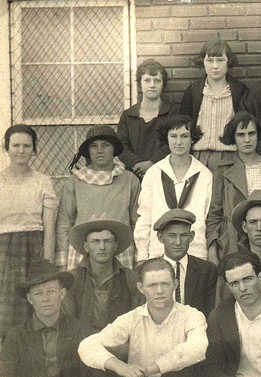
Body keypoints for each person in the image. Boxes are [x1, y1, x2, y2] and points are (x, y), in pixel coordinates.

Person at [78, 258, 208, 377]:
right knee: (102, 365)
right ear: (141, 288)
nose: (160, 291)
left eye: (165, 284)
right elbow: (87, 345)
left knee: (186, 368)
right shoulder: (132, 318)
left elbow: (197, 347)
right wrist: (123, 369)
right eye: (152, 285)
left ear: (176, 285)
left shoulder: (191, 315)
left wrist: (144, 372)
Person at [0, 125, 58, 338]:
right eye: (16, 145)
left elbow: (49, 227)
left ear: (34, 150)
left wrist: (46, 259)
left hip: (32, 247)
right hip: (0, 249)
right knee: (2, 306)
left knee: (33, 302)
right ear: (6, 148)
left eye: (27, 146)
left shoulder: (43, 181)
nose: (21, 150)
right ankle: (4, 358)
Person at [57, 125, 140, 270]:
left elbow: (137, 222)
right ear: (88, 151)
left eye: (105, 145)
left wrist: (139, 257)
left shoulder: (129, 179)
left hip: (120, 251)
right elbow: (64, 223)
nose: (100, 151)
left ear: (114, 148)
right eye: (94, 146)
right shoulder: (75, 181)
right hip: (83, 251)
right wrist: (62, 261)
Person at [134, 115, 213, 261]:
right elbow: (144, 216)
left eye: (184, 136)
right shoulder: (154, 173)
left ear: (193, 139)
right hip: (158, 251)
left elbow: (208, 217)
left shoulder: (204, 175)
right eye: (173, 136)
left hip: (195, 251)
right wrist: (142, 255)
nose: (178, 142)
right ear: (167, 138)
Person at [206, 111, 261, 264]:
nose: (247, 139)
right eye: (241, 134)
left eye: (251, 134)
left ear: (258, 136)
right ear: (233, 137)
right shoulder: (223, 168)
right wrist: (212, 249)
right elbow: (214, 212)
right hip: (231, 240)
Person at [179, 37, 248, 169]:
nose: (215, 66)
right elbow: (183, 125)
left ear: (228, 62)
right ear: (203, 62)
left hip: (230, 157)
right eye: (210, 61)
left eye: (220, 60)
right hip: (197, 157)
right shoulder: (193, 91)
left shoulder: (239, 91)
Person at [64, 219, 144, 331]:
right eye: (95, 241)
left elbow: (137, 321)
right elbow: (68, 322)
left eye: (108, 241)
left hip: (121, 342)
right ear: (86, 247)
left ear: (115, 245)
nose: (102, 247)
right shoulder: (72, 278)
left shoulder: (130, 278)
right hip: (82, 343)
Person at [117, 59, 178, 178]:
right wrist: (138, 164)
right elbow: (121, 146)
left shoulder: (173, 113)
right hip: (134, 174)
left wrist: (152, 163)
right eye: (147, 80)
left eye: (157, 81)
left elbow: (175, 143)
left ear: (163, 84)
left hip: (164, 174)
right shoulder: (128, 115)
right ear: (140, 84)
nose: (152, 85)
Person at [154, 209, 218, 318]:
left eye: (183, 235)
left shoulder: (207, 270)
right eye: (172, 236)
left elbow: (210, 311)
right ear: (160, 237)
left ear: (191, 236)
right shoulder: (149, 271)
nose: (178, 242)